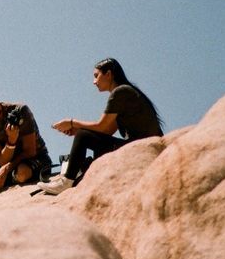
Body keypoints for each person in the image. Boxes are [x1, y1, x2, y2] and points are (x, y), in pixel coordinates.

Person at [36, 57, 163, 195]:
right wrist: (78, 130)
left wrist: (72, 123)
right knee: (84, 134)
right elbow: (107, 130)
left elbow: (102, 126)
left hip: (141, 149)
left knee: (82, 136)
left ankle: (66, 181)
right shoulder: (125, 92)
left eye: (96, 76)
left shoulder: (120, 92)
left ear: (108, 74)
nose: (94, 81)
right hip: (142, 147)